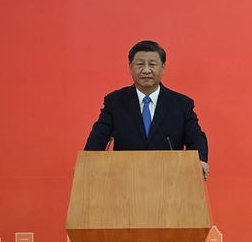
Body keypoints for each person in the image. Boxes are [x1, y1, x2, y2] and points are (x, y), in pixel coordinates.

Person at [84, 40, 209, 180]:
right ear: (130, 67)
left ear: (163, 67)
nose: (146, 70)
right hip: (124, 180)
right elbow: (98, 137)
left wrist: (200, 160)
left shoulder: (181, 104)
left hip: (170, 181)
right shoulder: (115, 101)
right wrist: (87, 163)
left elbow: (196, 137)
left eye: (152, 64)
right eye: (140, 64)